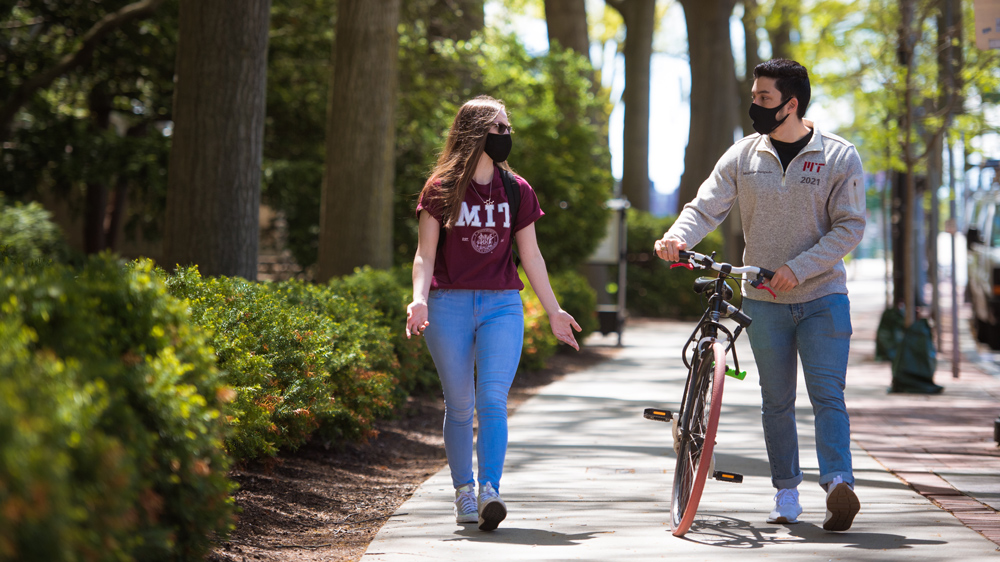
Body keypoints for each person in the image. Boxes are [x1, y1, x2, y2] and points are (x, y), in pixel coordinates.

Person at [654, 59, 865, 532]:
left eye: (764, 98)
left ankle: (837, 484)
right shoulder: (743, 155)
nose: (755, 105)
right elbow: (705, 205)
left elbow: (850, 226)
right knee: (776, 401)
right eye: (754, 97)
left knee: (827, 395)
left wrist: (800, 268)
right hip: (763, 302)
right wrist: (676, 237)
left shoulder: (838, 155)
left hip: (823, 298)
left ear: (791, 104)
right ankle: (786, 492)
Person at [405, 95, 582, 532]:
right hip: (448, 305)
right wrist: (419, 297)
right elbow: (424, 255)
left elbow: (532, 256)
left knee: (493, 401)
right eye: (499, 128)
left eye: (508, 128)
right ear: (475, 132)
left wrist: (554, 310)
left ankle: (490, 491)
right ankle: (463, 492)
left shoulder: (516, 189)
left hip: (502, 304)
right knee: (461, 405)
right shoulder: (441, 188)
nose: (507, 135)